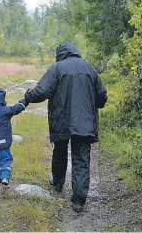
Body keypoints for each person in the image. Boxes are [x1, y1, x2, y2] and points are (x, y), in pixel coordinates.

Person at [24, 41, 107, 213]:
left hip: (61, 119)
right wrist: (94, 103)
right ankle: (78, 201)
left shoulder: (57, 68)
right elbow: (102, 96)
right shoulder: (89, 68)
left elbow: (41, 91)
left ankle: (58, 184)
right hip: (84, 121)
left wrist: (27, 96)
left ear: (60, 54)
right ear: (75, 52)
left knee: (60, 151)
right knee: (81, 158)